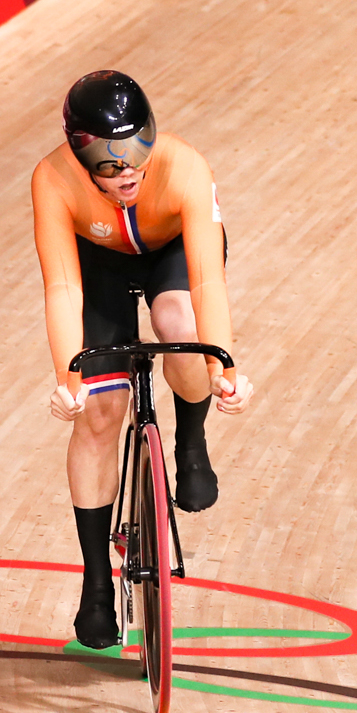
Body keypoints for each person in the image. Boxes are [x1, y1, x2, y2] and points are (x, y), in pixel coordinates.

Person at [32, 70, 252, 649]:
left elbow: (206, 283)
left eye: (136, 148)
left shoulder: (185, 168)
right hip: (97, 264)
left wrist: (224, 369)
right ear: (80, 158)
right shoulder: (52, 180)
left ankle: (190, 440)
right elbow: (62, 289)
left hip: (172, 254)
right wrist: (67, 378)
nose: (127, 171)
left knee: (180, 326)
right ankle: (96, 581)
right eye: (108, 161)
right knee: (100, 414)